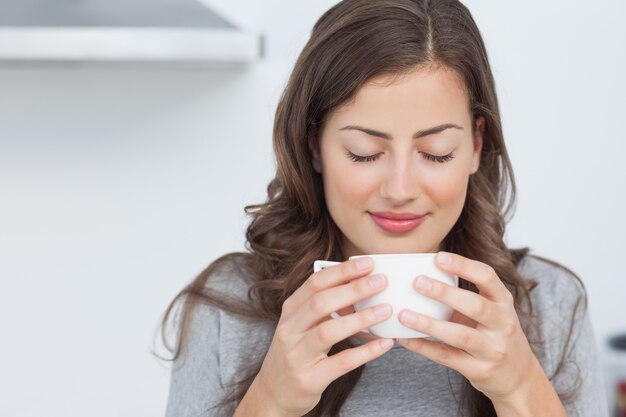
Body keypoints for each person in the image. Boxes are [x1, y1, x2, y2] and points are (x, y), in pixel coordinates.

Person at [158, 1, 608, 416]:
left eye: (436, 152)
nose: (399, 189)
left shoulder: (550, 303)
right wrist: (271, 399)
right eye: (364, 152)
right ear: (315, 146)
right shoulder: (228, 307)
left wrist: (521, 386)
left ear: (476, 145)